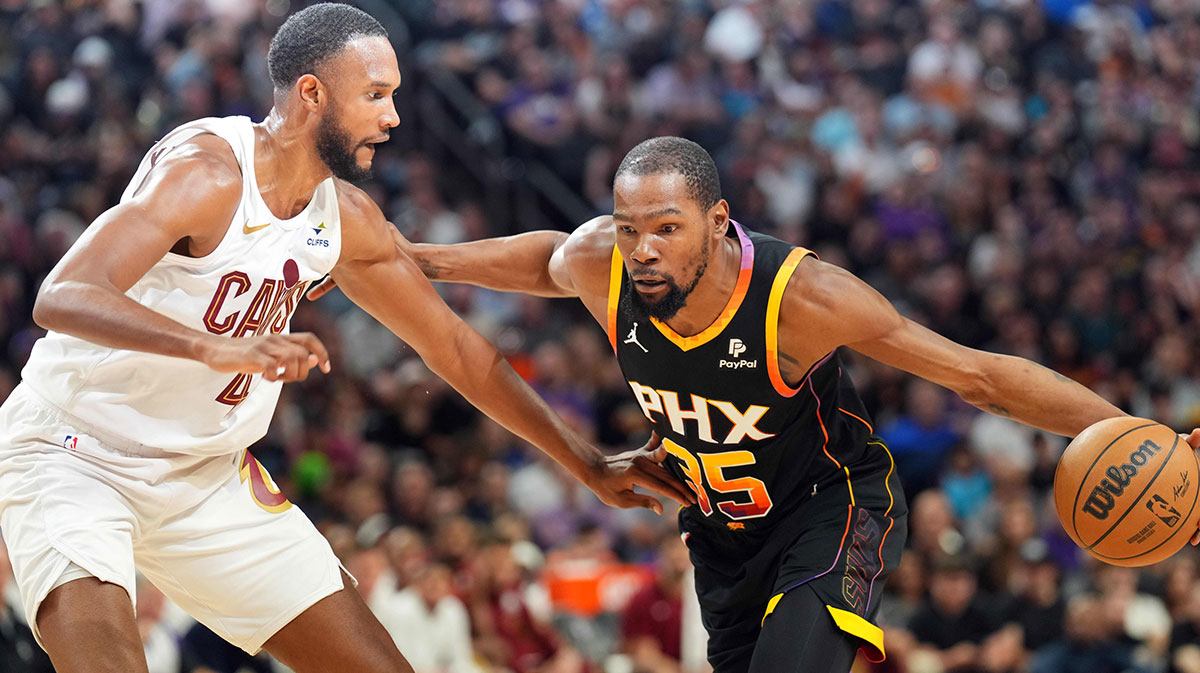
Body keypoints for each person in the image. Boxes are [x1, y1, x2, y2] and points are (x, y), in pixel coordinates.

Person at [312, 135, 1200, 673]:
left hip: (829, 505)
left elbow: (978, 375)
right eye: (630, 229)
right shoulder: (602, 263)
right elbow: (545, 257)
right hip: (720, 533)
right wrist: (417, 257)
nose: (645, 251)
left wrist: (1134, 431)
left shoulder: (803, 299)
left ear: (717, 221)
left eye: (667, 228)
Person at [0, 6, 689, 673]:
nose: (392, 116)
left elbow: (456, 351)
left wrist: (589, 464)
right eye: (375, 94)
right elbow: (62, 295)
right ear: (311, 94)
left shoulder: (346, 219)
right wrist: (214, 348)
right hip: (74, 453)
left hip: (204, 476)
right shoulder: (208, 174)